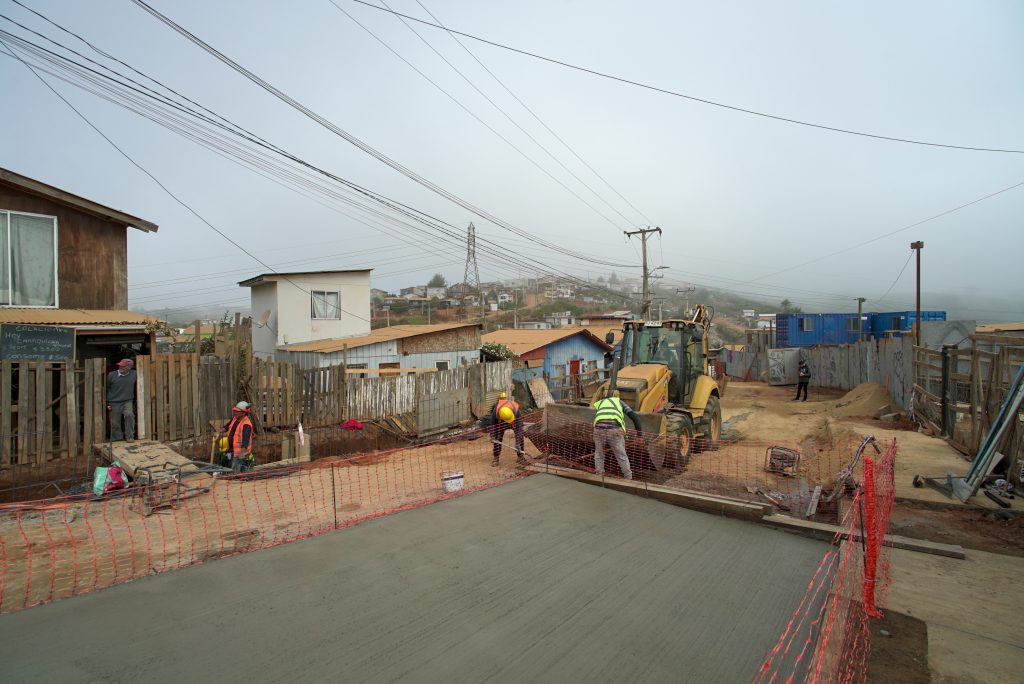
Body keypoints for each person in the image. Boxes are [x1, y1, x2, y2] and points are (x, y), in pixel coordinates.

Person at [593, 390, 643, 480]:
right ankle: (628, 479)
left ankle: (599, 477)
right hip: (614, 430)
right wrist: (639, 435)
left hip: (598, 430)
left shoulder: (601, 403)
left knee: (599, 454)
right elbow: (634, 417)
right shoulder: (619, 402)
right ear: (617, 396)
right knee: (621, 455)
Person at [489, 391, 524, 467]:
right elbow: (492, 424)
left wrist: (517, 443)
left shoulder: (516, 411)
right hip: (501, 422)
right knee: (497, 437)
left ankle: (520, 457)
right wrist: (492, 435)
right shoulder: (496, 410)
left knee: (520, 437)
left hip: (514, 420)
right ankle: (496, 457)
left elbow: (519, 428)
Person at [106, 358, 136, 441]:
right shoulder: (111, 375)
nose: (120, 367)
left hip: (127, 400)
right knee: (114, 421)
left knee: (129, 415)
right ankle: (117, 438)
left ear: (129, 367)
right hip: (112, 402)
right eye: (120, 365)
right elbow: (107, 387)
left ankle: (130, 436)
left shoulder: (134, 374)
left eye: (123, 366)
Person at [223, 401, 255, 473]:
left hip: (239, 453)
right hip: (231, 449)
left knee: (235, 471)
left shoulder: (246, 424)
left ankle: (237, 479)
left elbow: (246, 439)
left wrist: (242, 452)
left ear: (243, 413)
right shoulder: (235, 418)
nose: (235, 412)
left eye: (237, 411)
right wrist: (219, 431)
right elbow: (227, 426)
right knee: (228, 464)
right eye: (234, 410)